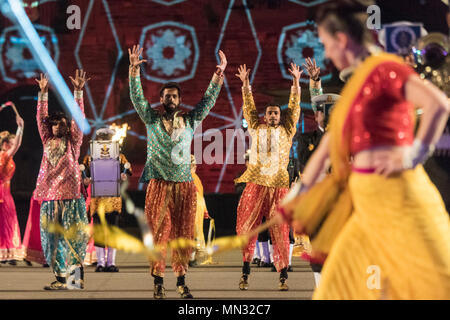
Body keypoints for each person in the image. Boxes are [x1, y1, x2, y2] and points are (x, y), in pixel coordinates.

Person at [282, 0, 450, 299]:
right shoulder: (359, 81)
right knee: (338, 287)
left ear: (342, 40)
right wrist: (302, 188)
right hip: (365, 201)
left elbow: (438, 105)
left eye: (326, 43)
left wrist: (414, 154)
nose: (328, 53)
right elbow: (332, 143)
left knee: (430, 279)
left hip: (397, 195)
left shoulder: (386, 70)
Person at [128, 44, 227, 299]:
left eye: (174, 96)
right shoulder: (151, 119)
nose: (170, 99)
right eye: (166, 96)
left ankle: (182, 282)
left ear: (179, 100)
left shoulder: (191, 121)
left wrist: (218, 75)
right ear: (160, 99)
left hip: (184, 185)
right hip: (158, 185)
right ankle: (158, 281)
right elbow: (137, 99)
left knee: (183, 236)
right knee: (160, 236)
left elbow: (207, 101)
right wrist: (133, 72)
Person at [234, 62, 301, 291]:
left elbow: (295, 106)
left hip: (279, 186)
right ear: (265, 116)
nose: (273, 115)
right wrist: (245, 85)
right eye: (270, 113)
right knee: (247, 228)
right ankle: (245, 273)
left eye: (276, 113)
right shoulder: (256, 127)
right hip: (256, 184)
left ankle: (283, 277)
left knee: (281, 232)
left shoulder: (287, 130)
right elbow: (248, 107)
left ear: (280, 116)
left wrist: (296, 83)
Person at [34, 70, 90, 290]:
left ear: (67, 126)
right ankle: (60, 279)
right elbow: (40, 118)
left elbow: (79, 119)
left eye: (61, 124)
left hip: (71, 197)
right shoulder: (47, 139)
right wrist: (43, 93)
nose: (58, 127)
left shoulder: (73, 142)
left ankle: (77, 278)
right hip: (50, 198)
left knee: (75, 238)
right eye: (54, 124)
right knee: (52, 240)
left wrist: (78, 92)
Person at [82, 127, 132, 272]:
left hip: (113, 200)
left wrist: (124, 175)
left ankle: (111, 262)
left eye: (107, 139)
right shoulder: (90, 158)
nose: (105, 142)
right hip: (97, 201)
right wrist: (85, 180)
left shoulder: (119, 156)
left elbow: (128, 169)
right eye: (102, 139)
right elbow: (83, 172)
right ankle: (100, 263)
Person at [0, 106, 24, 265]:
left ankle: (7, 252)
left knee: (7, 221)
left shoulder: (4, 155)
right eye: (12, 142)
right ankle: (5, 252)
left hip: (6, 192)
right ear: (6, 143)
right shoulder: (4, 155)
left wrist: (20, 128)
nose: (13, 144)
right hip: (2, 192)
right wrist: (21, 127)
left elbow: (17, 145)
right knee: (5, 221)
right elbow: (17, 146)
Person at [188, 155, 210, 267]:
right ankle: (191, 258)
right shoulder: (190, 177)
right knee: (193, 232)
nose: (195, 166)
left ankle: (190, 257)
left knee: (193, 232)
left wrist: (204, 210)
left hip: (196, 208)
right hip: (192, 208)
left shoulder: (194, 177)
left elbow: (200, 195)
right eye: (193, 164)